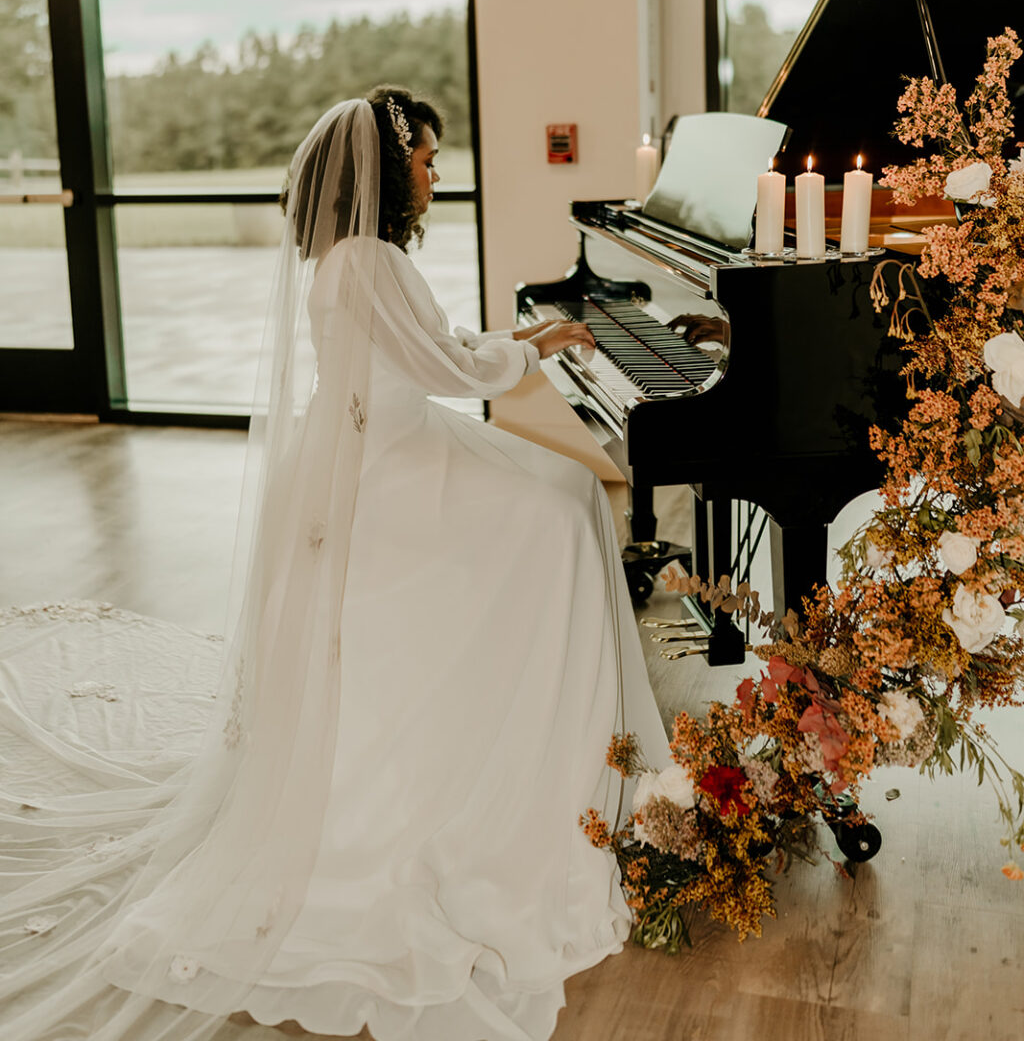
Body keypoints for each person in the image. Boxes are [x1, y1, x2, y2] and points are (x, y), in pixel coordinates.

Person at [0, 87, 670, 1041]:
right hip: (388, 474)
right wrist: (531, 349)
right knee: (562, 515)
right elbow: (450, 371)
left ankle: (555, 722)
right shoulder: (368, 259)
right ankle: (545, 741)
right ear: (390, 169)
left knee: (564, 499)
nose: (438, 175)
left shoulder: (358, 256)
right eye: (429, 160)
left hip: (384, 447)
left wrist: (519, 345)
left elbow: (431, 357)